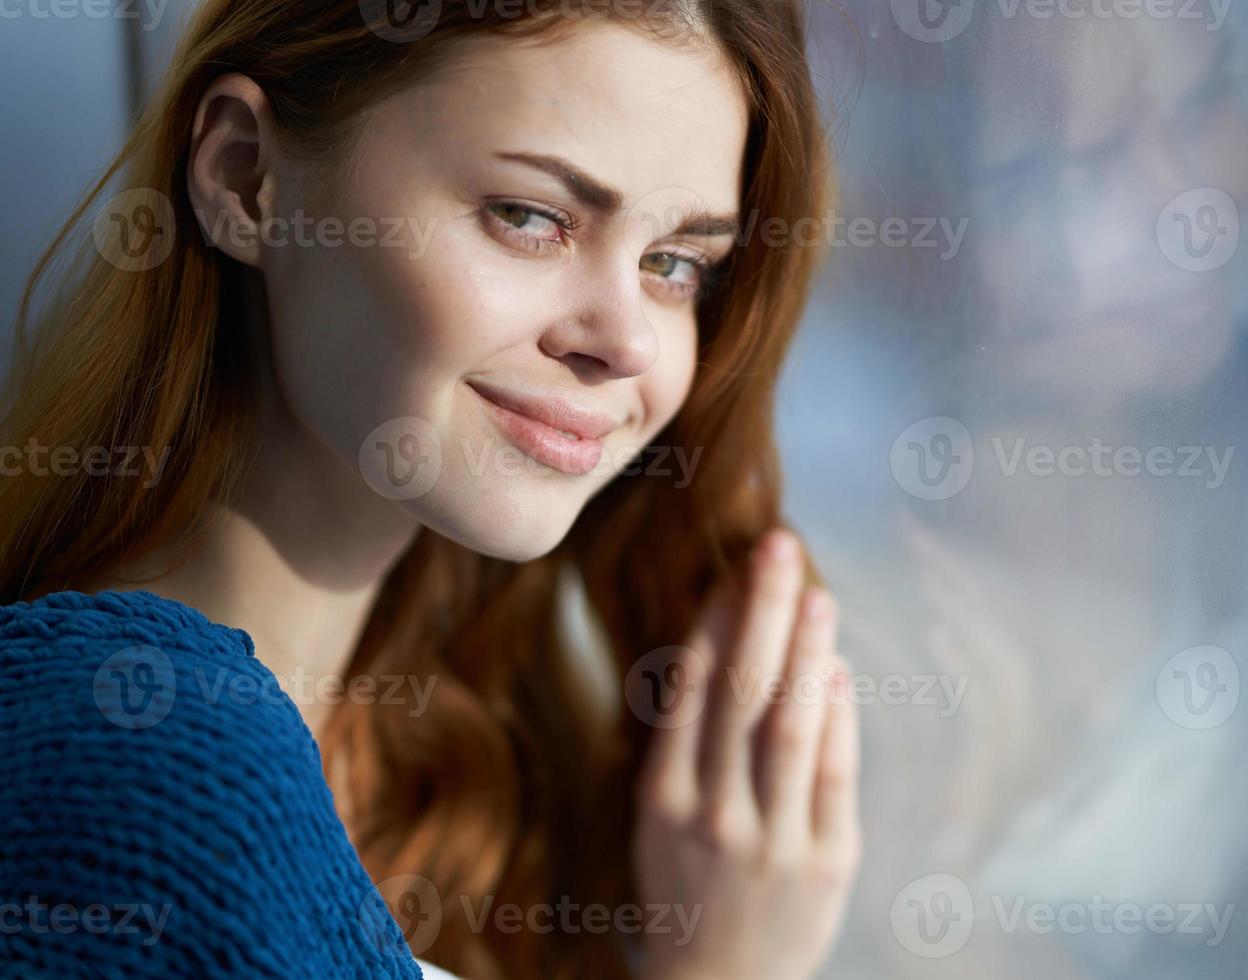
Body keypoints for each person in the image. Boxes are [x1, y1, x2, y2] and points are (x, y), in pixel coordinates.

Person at [0, 2, 862, 978]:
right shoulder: (135, 779)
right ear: (242, 176)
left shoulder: (476, 771)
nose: (625, 341)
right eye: (531, 216)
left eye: (675, 264)